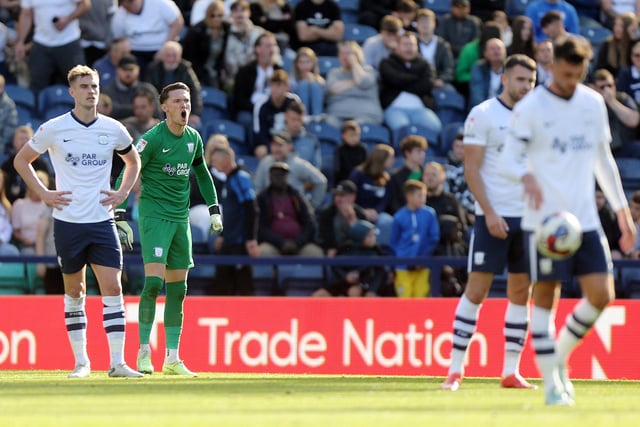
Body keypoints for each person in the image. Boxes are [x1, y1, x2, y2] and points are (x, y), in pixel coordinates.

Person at [499, 36, 636, 405]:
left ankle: (557, 359)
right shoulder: (531, 107)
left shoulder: (592, 103)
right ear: (552, 65)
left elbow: (602, 159)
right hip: (543, 222)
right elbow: (508, 159)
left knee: (602, 295)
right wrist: (524, 175)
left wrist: (622, 211)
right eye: (565, 74)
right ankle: (551, 387)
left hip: (585, 219)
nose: (570, 81)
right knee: (545, 296)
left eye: (577, 75)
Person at [12, 64, 143, 378]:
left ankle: (117, 363)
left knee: (113, 287)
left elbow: (133, 160)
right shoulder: (55, 128)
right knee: (75, 291)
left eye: (94, 85)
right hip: (68, 221)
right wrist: (44, 193)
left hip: (102, 220)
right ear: (72, 92)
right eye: (84, 86)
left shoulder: (113, 128)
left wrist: (122, 192)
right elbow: (21, 160)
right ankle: (82, 362)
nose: (91, 91)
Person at [441, 54, 538, 392]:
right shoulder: (482, 114)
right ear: (505, 79)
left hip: (529, 220)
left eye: (531, 80)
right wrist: (490, 212)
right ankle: (455, 370)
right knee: (477, 290)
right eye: (520, 79)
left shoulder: (540, 116)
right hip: (493, 218)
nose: (526, 86)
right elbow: (471, 170)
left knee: (520, 293)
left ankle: (511, 371)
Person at [116, 82, 223, 377]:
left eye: (186, 101)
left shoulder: (194, 138)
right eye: (177, 101)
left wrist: (214, 208)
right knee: (153, 284)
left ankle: (173, 358)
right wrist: (120, 210)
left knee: (179, 289)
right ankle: (142, 353)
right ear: (164, 107)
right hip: (154, 218)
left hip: (180, 219)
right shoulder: (151, 140)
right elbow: (129, 169)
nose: (183, 106)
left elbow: (201, 173)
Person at [210, 144, 259, 295]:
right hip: (229, 241)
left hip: (240, 243)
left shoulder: (240, 178)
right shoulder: (229, 181)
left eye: (215, 160)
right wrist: (223, 236)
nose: (212, 164)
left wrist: (250, 239)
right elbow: (232, 213)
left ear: (226, 159)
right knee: (223, 286)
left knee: (244, 287)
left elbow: (252, 208)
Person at [14, 0, 89, 94]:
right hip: (41, 43)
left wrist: (67, 19)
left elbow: (85, 4)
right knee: (36, 86)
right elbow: (26, 14)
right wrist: (20, 41)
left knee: (79, 82)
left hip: (68, 41)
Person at [379, 32, 442, 135]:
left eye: (412, 45)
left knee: (435, 127)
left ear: (417, 47)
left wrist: (401, 82)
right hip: (394, 108)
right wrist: (416, 78)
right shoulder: (387, 62)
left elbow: (427, 85)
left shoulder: (425, 64)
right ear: (398, 46)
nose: (409, 48)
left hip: (420, 108)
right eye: (405, 44)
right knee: (403, 131)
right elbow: (393, 79)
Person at [256, 161, 324, 257]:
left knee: (315, 254)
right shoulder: (263, 198)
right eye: (275, 174)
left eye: (282, 174)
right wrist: (280, 242)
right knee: (262, 252)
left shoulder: (296, 195)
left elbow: (310, 224)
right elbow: (260, 228)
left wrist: (297, 242)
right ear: (270, 177)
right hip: (272, 244)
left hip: (299, 243)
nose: (278, 177)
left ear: (288, 176)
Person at [389, 179, 439, 297]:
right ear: (409, 196)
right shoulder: (399, 217)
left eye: (424, 195)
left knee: (421, 296)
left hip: (423, 265)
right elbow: (393, 242)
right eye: (419, 195)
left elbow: (434, 238)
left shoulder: (430, 214)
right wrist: (398, 261)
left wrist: (423, 258)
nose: (423, 199)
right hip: (403, 266)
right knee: (405, 297)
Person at [312, 219, 388, 297]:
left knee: (354, 292)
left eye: (374, 235)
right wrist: (345, 276)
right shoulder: (345, 248)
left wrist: (371, 290)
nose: (373, 238)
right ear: (359, 236)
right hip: (341, 283)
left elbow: (380, 273)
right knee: (319, 295)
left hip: (362, 285)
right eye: (369, 236)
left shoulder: (376, 252)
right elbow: (336, 267)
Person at [111, 0, 184, 74]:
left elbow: (177, 22)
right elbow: (119, 39)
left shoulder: (160, 3)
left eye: (131, 2)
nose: (129, 6)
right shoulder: (120, 14)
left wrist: (164, 48)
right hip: (135, 52)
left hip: (162, 47)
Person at [325, 40, 383, 129]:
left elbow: (364, 82)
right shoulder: (334, 73)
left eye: (348, 53)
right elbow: (333, 89)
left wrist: (354, 63)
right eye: (342, 53)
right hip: (337, 114)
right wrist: (354, 82)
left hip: (366, 115)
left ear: (357, 55)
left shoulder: (368, 70)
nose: (344, 57)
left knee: (353, 129)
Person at [144, 41, 204, 128]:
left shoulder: (186, 69)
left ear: (180, 56)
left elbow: (195, 92)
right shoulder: (153, 69)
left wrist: (195, 113)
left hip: (181, 110)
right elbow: (149, 93)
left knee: (196, 126)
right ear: (163, 56)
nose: (171, 59)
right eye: (168, 55)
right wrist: (154, 115)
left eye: (174, 55)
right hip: (159, 110)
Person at [590, 68, 640, 157]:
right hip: (600, 149)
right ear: (594, 88)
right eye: (602, 87)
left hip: (624, 147)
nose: (607, 90)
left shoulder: (623, 98)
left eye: (610, 85)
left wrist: (611, 101)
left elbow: (634, 121)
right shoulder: (589, 103)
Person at [182, 0, 230, 89]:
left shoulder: (226, 29)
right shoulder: (196, 31)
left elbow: (224, 53)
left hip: (216, 70)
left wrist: (222, 68)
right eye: (212, 15)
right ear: (207, 15)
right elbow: (191, 57)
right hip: (198, 71)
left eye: (219, 15)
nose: (216, 18)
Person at [1, 125, 50, 204]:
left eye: (26, 139)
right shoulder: (7, 165)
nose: (24, 142)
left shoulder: (41, 164)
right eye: (21, 139)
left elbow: (51, 187)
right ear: (14, 142)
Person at [11, 169, 49, 254]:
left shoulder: (48, 207)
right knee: (29, 253)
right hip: (27, 246)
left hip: (46, 246)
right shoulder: (19, 204)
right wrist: (24, 239)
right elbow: (16, 231)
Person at [387, 134, 427, 215]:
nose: (422, 154)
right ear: (407, 153)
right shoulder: (396, 177)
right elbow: (393, 202)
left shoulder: (427, 174)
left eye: (423, 151)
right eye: (418, 151)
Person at [334, 119, 367, 184]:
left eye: (357, 135)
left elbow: (365, 167)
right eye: (351, 135)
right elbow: (337, 170)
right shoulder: (340, 149)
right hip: (344, 181)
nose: (355, 138)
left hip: (359, 181)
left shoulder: (362, 148)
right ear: (343, 135)